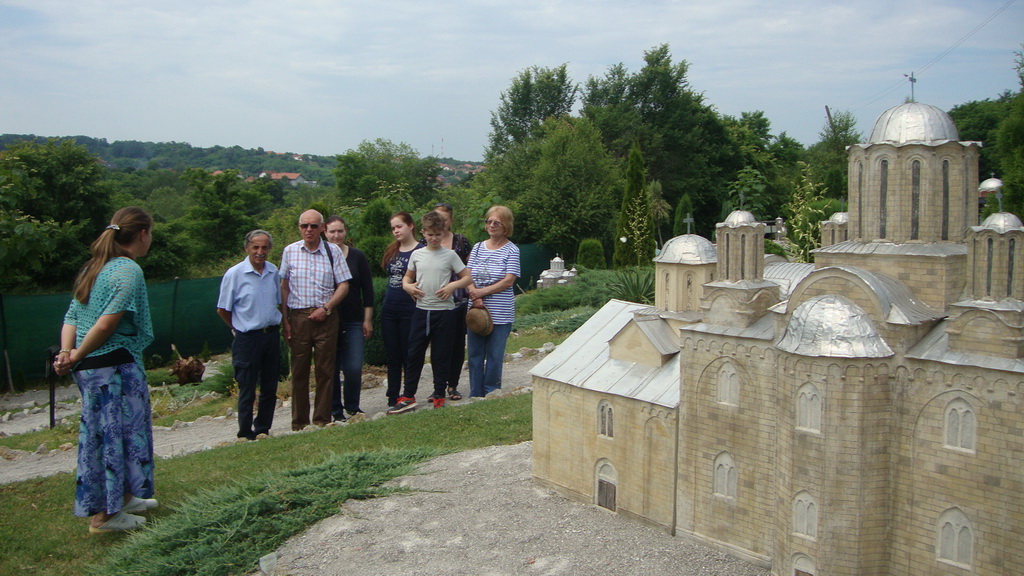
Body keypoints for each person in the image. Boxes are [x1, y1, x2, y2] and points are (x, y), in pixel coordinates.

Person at [53, 206, 159, 534]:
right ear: (142, 234)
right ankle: (105, 517)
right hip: (112, 369)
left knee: (118, 436)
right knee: (113, 441)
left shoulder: (94, 266)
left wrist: (68, 353)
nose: (150, 239)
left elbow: (72, 315)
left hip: (91, 368)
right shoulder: (127, 270)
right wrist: (76, 354)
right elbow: (107, 322)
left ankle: (124, 497)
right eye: (150, 233)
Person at [389, 211, 473, 414]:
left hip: (444, 312)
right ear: (424, 233)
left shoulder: (450, 255)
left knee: (441, 355)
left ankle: (438, 394)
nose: (434, 238)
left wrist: (452, 287)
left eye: (438, 234)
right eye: (430, 234)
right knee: (414, 354)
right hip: (421, 310)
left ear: (443, 232)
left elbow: (467, 277)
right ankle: (408, 395)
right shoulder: (417, 254)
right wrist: (409, 288)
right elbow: (406, 279)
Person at [280, 209, 352, 430]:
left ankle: (322, 420)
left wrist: (327, 307)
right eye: (304, 226)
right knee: (299, 371)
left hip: (326, 317)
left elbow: (344, 285)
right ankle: (299, 423)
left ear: (322, 228)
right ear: (299, 228)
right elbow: (284, 286)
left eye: (313, 226)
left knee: (326, 370)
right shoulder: (290, 251)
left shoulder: (333, 252)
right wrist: (285, 320)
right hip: (299, 316)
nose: (308, 230)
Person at [216, 229, 282, 440]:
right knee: (247, 386)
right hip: (247, 338)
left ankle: (263, 429)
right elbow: (223, 309)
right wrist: (237, 327)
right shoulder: (234, 274)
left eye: (264, 247)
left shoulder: (273, 271)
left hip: (270, 335)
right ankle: (245, 432)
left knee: (270, 386)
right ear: (247, 248)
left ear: (270, 249)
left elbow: (279, 302)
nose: (260, 252)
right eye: (256, 247)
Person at [466, 206, 521, 398]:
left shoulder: (512, 250)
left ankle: (491, 392)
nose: (491, 225)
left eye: (496, 222)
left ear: (505, 226)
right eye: (488, 221)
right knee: (474, 354)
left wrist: (482, 292)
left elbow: (508, 280)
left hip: (500, 311)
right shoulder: (478, 247)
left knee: (495, 356)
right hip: (476, 310)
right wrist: (475, 295)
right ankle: (475, 393)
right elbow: (467, 275)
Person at [324, 215, 373, 420]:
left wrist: (367, 319)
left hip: (353, 320)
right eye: (332, 231)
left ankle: (352, 406)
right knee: (331, 367)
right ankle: (335, 410)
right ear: (324, 233)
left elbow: (367, 290)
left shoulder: (356, 256)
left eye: (340, 231)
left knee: (353, 366)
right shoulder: (320, 256)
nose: (336, 235)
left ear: (346, 232)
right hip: (328, 320)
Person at [430, 202, 472, 401]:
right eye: (437, 219)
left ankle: (452, 385)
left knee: (456, 345)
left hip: (458, 300)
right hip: (435, 300)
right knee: (437, 346)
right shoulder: (426, 241)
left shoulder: (461, 241)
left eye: (444, 219)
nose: (441, 223)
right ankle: (437, 386)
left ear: (451, 220)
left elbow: (469, 269)